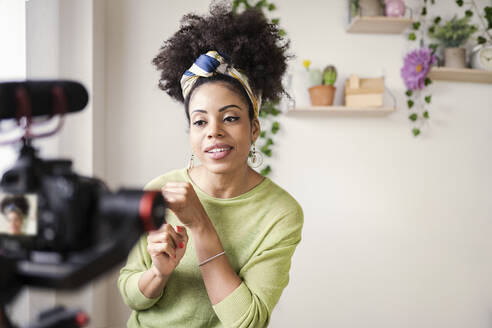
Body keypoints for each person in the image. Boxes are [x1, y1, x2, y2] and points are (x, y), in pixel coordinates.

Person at [118, 2, 303, 327]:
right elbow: (131, 295)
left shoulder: (281, 213)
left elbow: (246, 321)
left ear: (254, 128)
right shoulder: (159, 191)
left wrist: (201, 225)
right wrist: (158, 273)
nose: (214, 131)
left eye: (230, 118)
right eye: (200, 122)